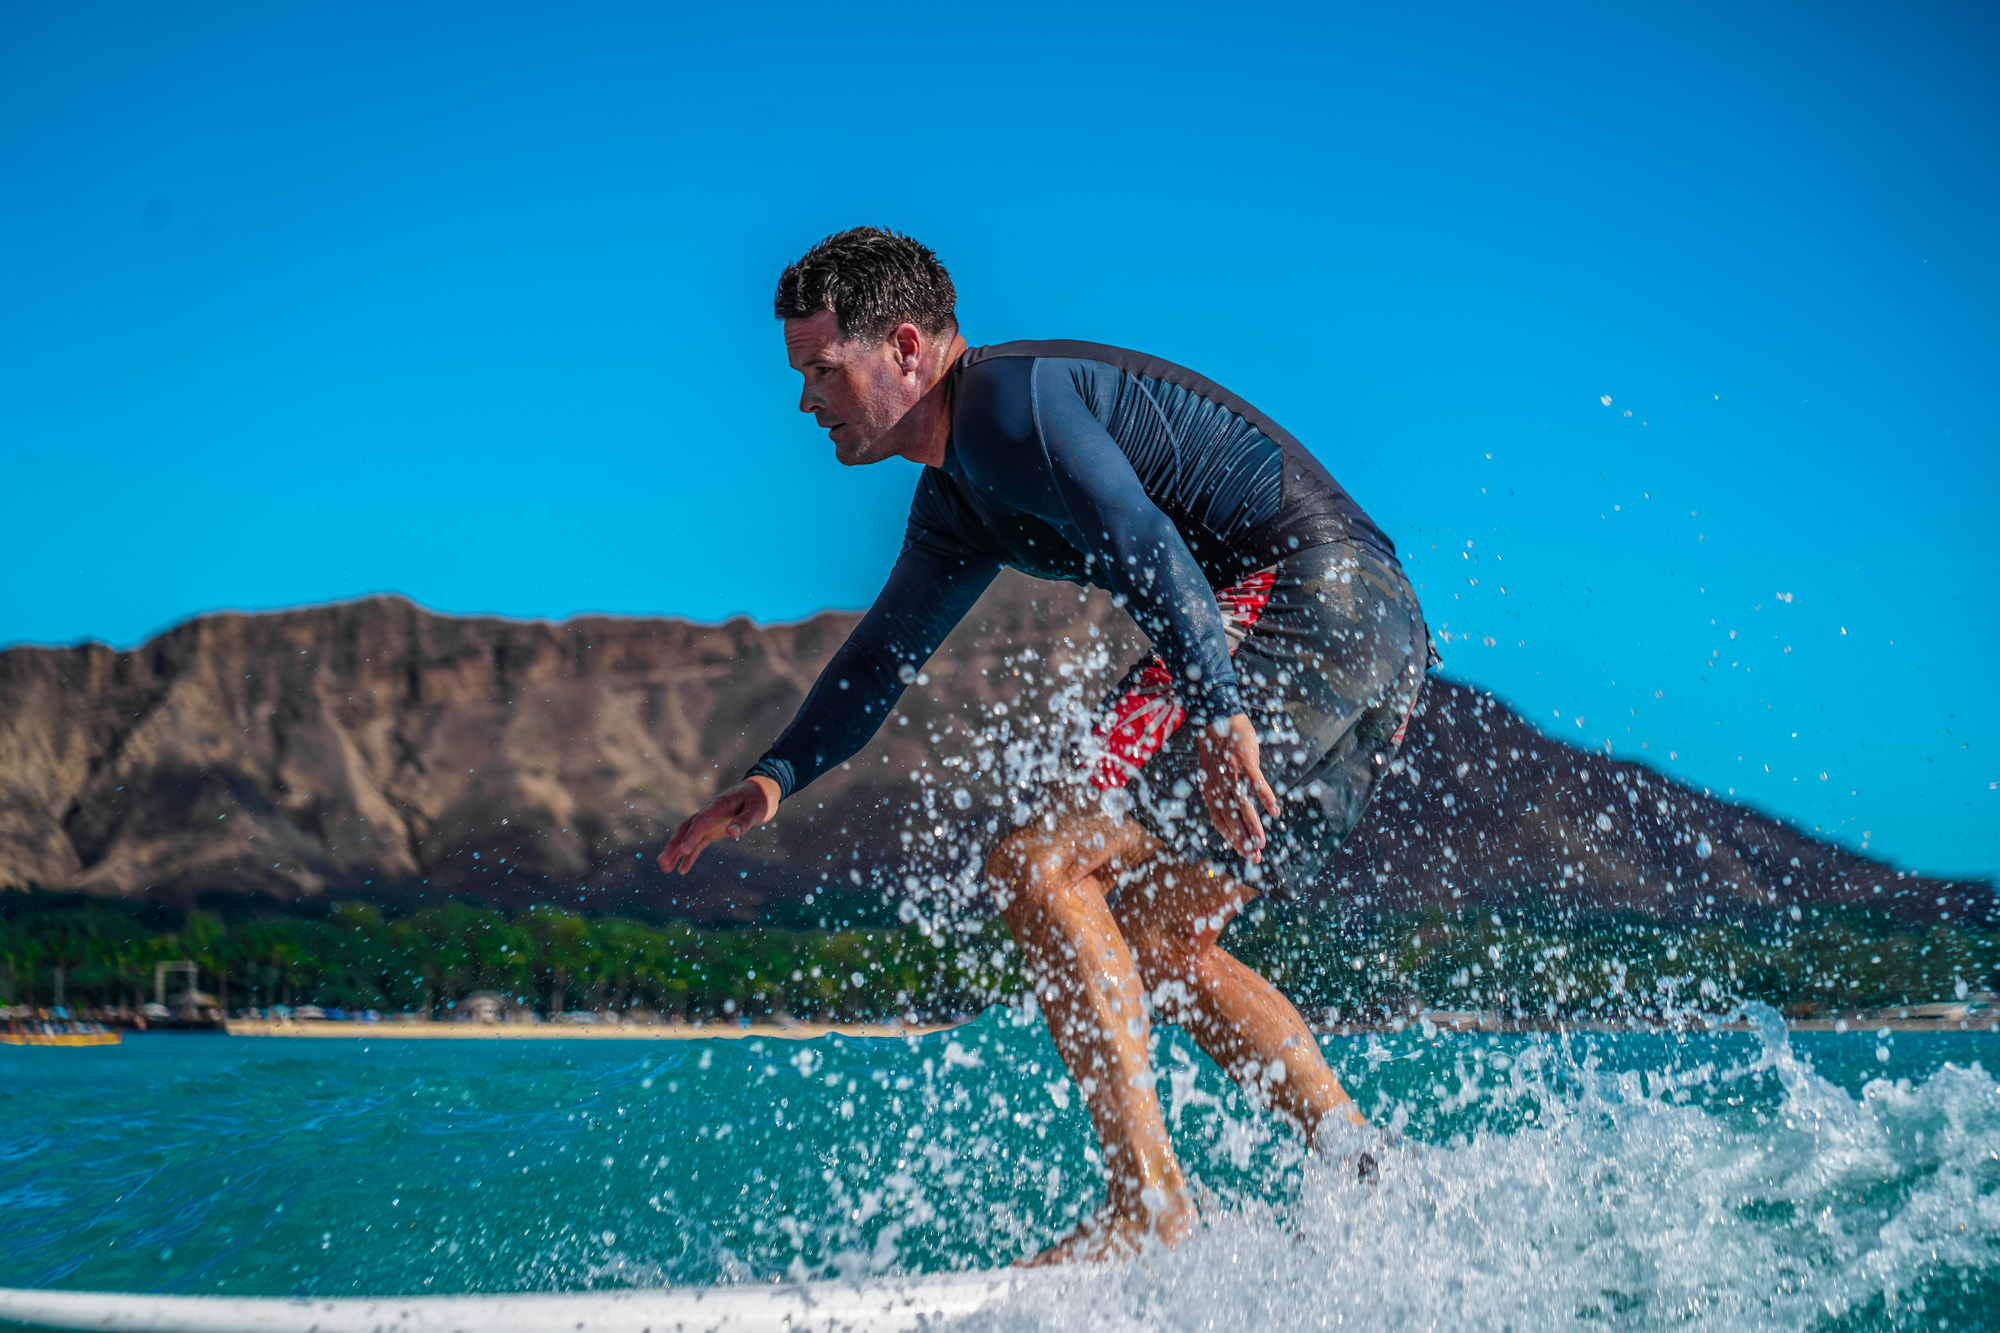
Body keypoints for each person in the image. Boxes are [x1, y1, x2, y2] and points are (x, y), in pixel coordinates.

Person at [659, 227, 1429, 1262]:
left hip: (1292, 602)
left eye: (822, 370)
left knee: (1037, 860)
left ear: (902, 348)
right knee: (1161, 941)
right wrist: (771, 777)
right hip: (1382, 630)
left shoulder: (1004, 412)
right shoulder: (956, 497)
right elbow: (882, 654)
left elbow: (1141, 539)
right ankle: (1362, 1163)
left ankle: (1146, 1203)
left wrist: (1213, 707)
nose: (807, 401)